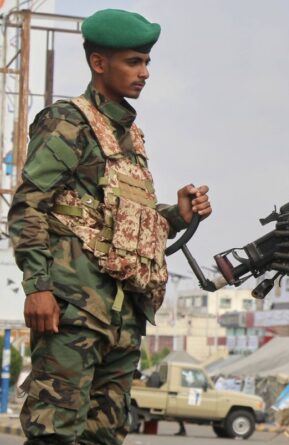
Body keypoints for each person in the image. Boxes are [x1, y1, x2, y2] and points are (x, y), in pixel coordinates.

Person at [8, 9, 212, 445]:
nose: (145, 73)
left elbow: (117, 221)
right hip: (73, 311)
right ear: (99, 63)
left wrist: (176, 216)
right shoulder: (67, 122)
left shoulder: (128, 136)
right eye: (133, 62)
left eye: (147, 63)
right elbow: (28, 206)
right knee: (54, 434)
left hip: (122, 317)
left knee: (104, 436)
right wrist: (38, 287)